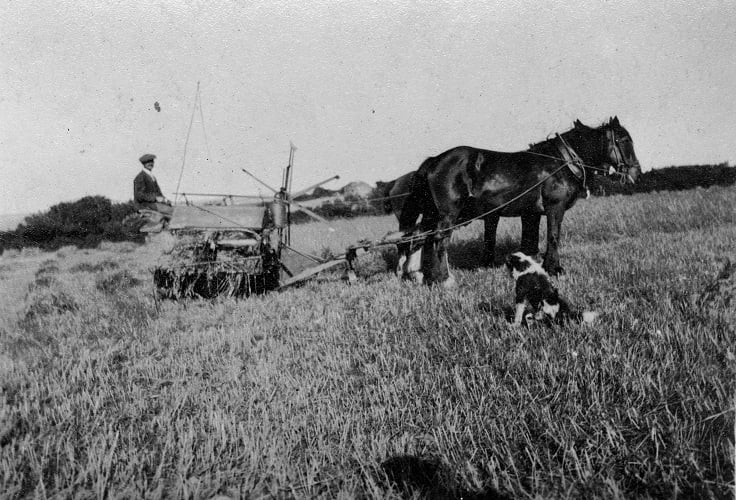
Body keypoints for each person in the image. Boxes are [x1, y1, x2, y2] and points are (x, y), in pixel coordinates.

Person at [133, 153, 173, 231]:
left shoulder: (151, 176)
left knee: (174, 209)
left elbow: (159, 193)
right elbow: (139, 195)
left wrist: (165, 200)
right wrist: (156, 198)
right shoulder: (140, 177)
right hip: (145, 205)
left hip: (153, 204)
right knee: (173, 212)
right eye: (148, 162)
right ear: (143, 164)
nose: (150, 164)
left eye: (152, 161)